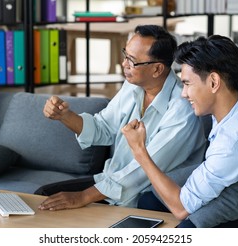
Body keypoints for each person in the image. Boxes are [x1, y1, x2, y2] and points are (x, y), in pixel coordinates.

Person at [122, 35, 238, 228]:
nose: (183, 93)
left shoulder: (233, 143)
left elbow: (180, 208)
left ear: (213, 82)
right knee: (150, 200)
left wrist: (139, 150)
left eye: (187, 84)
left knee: (188, 228)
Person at [36, 24, 206, 210]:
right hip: (111, 185)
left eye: (132, 60)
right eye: (125, 55)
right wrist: (65, 116)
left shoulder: (182, 109)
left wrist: (83, 196)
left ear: (157, 69)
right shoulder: (133, 85)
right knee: (42, 197)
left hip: (148, 195)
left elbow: (142, 172)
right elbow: (102, 128)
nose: (124, 64)